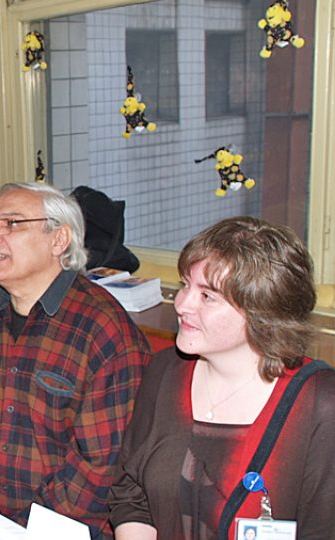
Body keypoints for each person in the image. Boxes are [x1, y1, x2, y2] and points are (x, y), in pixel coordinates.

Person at [0, 182, 151, 538]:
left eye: (12, 224)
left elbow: (100, 467)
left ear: (59, 240)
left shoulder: (102, 330)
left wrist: (21, 530)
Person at [110, 217, 335, 539]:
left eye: (207, 296)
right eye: (186, 285)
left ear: (263, 312)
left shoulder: (320, 404)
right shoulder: (164, 372)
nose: (182, 303)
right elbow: (132, 493)